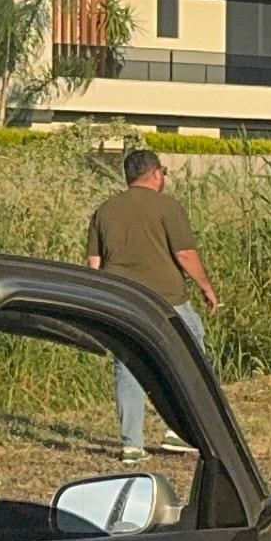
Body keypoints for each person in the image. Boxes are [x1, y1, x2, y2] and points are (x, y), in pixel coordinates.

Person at [85, 146, 221, 459]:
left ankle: (132, 444)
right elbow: (184, 254)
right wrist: (206, 287)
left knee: (128, 367)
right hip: (167, 300)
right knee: (188, 362)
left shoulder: (104, 211)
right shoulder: (167, 207)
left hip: (122, 300)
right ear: (157, 173)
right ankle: (178, 431)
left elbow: (94, 262)